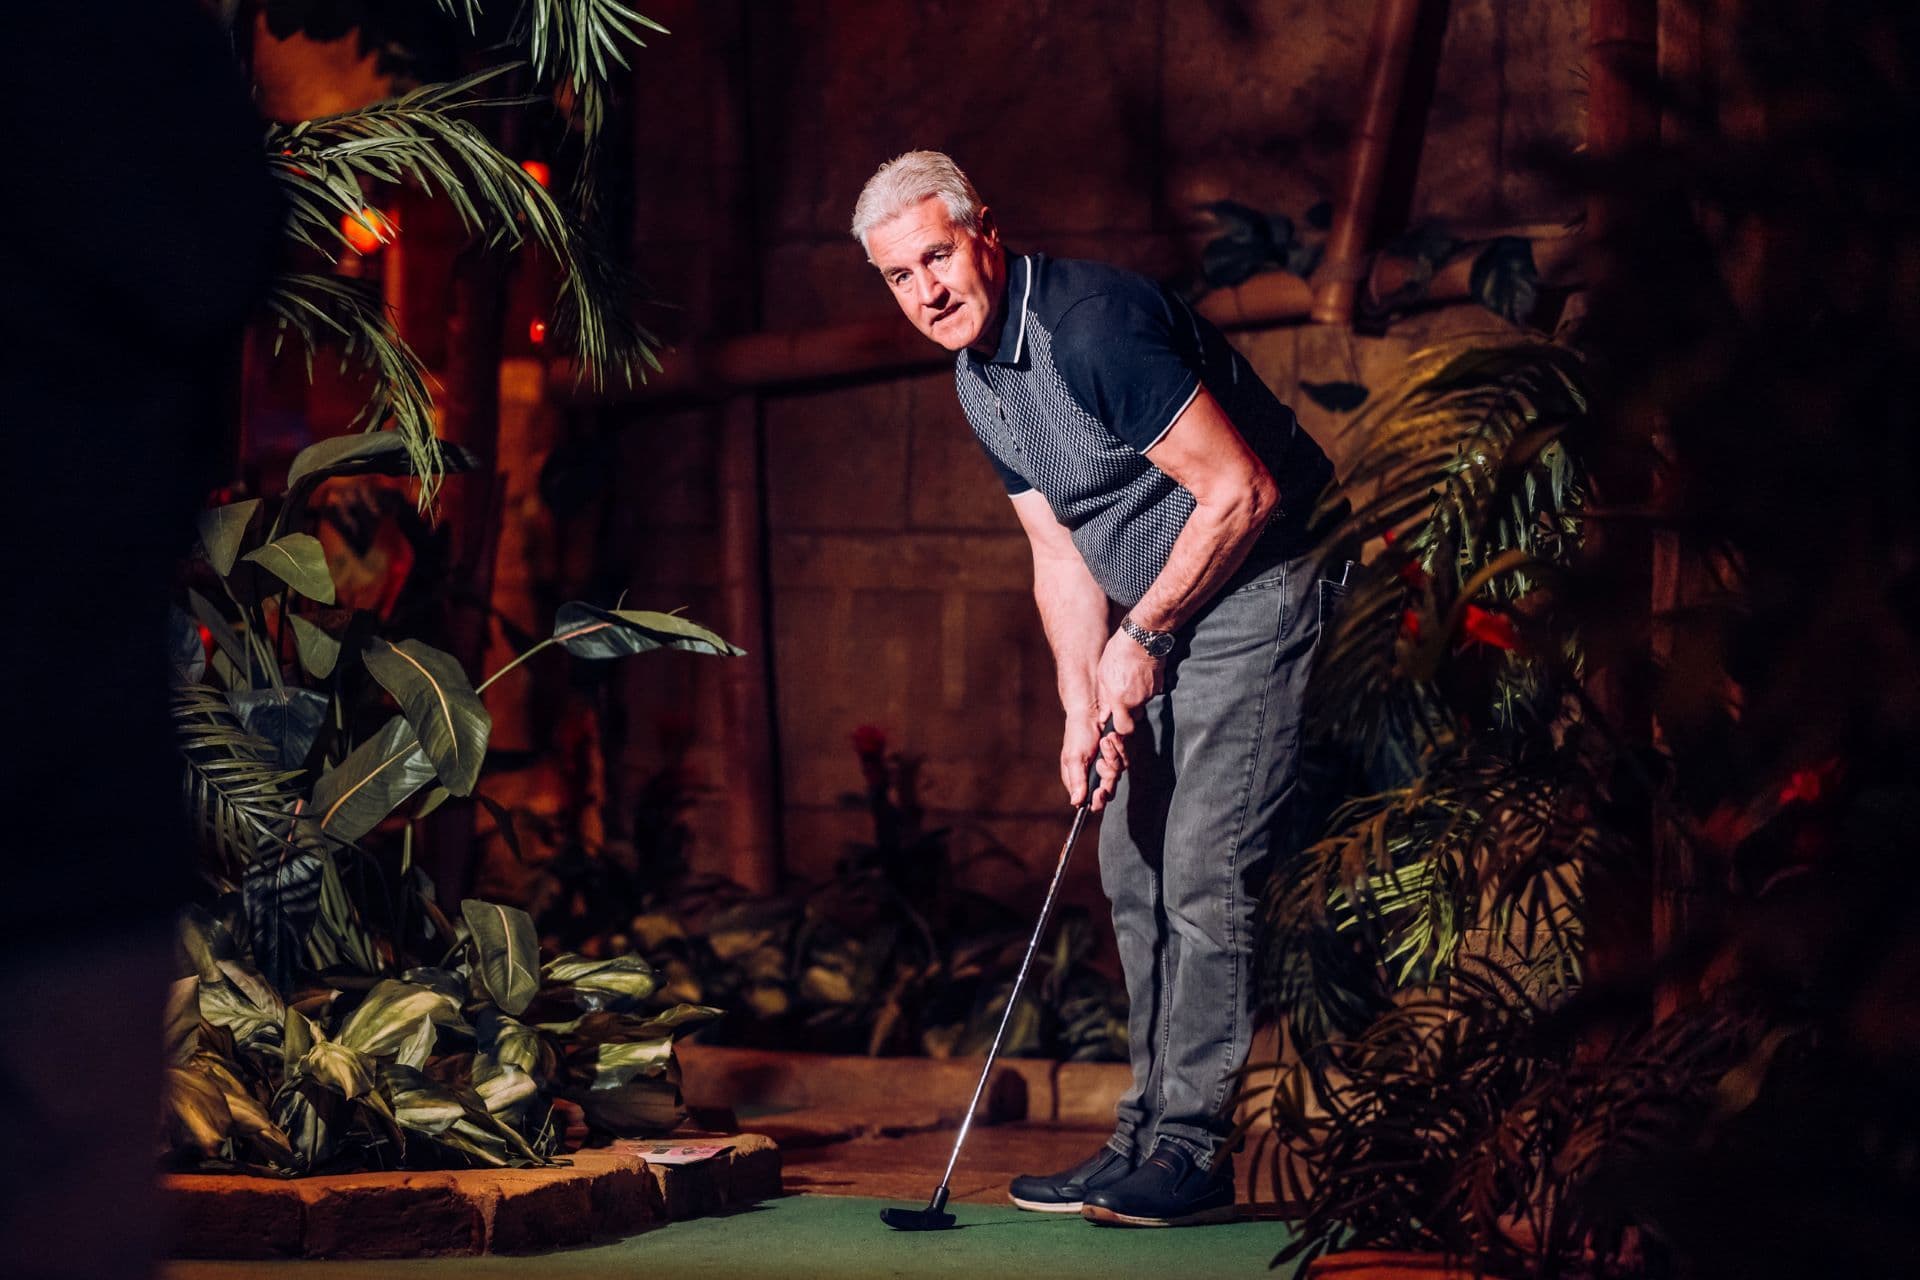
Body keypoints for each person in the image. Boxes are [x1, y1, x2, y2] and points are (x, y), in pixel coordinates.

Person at [851, 151, 1345, 1227]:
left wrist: (1149, 632)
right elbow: (1062, 553)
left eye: (937, 255)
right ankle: (1139, 1138)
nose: (926, 291)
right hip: (1153, 614)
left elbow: (1240, 489)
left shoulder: (1090, 326)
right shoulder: (979, 376)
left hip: (1258, 580)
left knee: (1206, 872)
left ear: (987, 230)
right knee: (1129, 867)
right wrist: (1081, 703)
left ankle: (1192, 1151)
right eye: (898, 276)